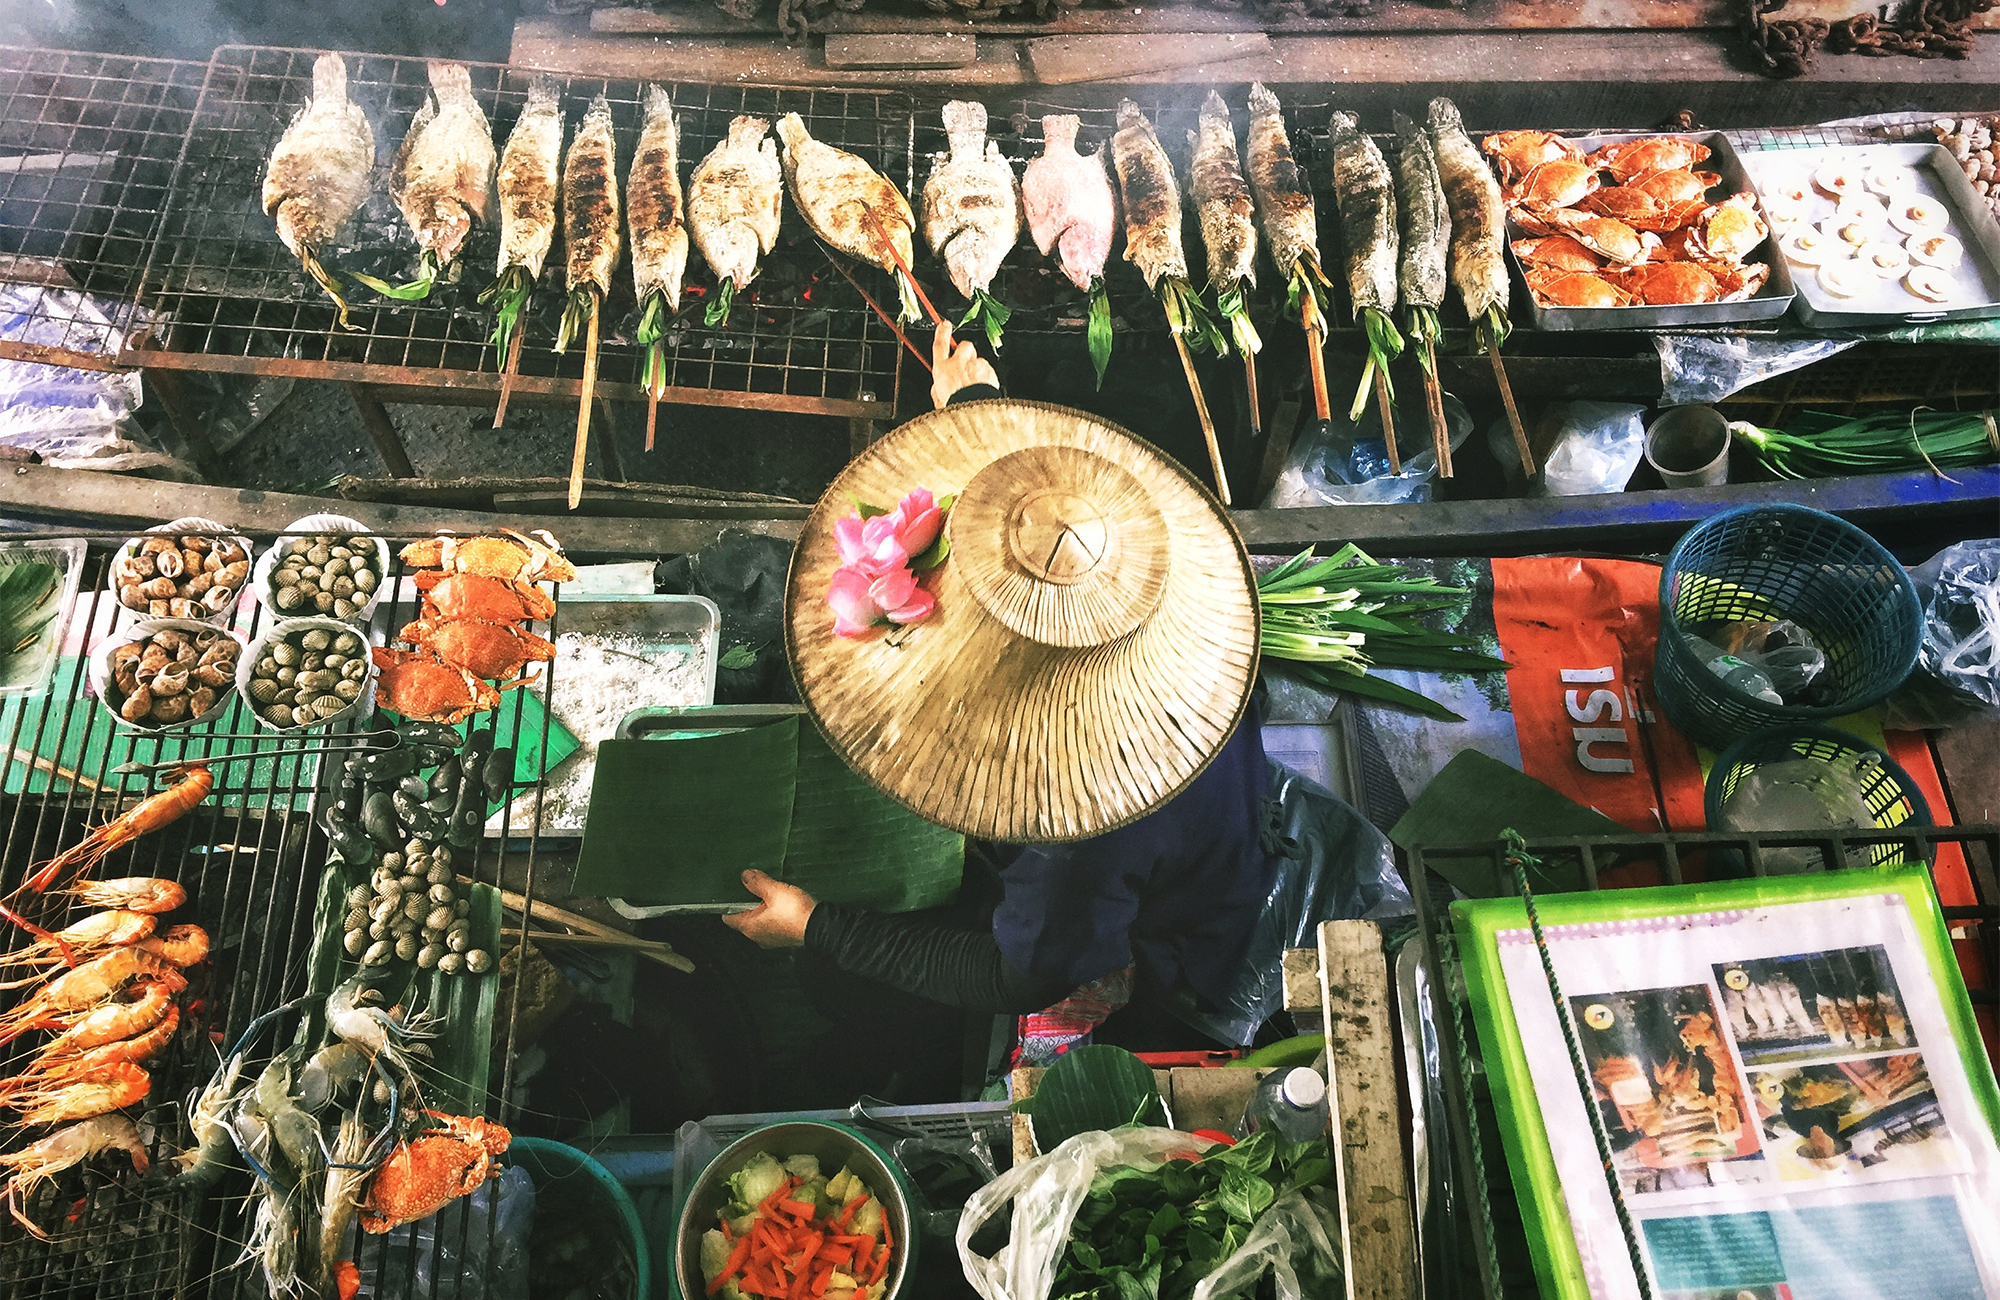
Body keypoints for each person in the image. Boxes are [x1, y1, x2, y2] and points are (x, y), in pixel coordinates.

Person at [723, 704, 1285, 1050]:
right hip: (1216, 803)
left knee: (843, 987)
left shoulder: (1073, 832)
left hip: (1203, 916)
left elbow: (1016, 980)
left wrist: (817, 928)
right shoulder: (1197, 636)